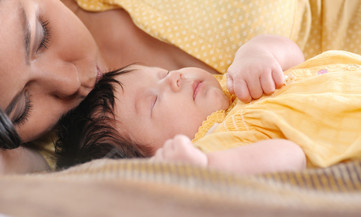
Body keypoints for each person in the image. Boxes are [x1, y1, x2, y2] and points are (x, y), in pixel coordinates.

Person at [1, 0, 361, 174]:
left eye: (42, 35)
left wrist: (258, 52)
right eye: (21, 108)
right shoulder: (91, 146)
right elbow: (286, 155)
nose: (69, 82)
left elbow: (288, 55)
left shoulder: (233, 84)